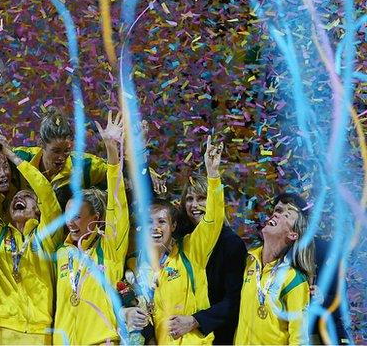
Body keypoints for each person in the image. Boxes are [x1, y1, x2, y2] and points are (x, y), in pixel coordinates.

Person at [122, 136, 225, 344]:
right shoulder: (133, 264)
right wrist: (126, 313)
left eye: (162, 221)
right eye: (149, 222)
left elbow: (213, 221)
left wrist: (213, 175)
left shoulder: (191, 250)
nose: (156, 228)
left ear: (174, 226)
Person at [0, 126, 63, 344]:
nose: (18, 198)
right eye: (15, 197)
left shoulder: (48, 236)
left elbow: (46, 193)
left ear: (39, 211)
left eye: (26, 197)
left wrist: (11, 155)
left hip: (39, 334)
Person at [53, 112, 128, 345]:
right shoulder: (62, 254)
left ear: (95, 218)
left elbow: (118, 206)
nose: (70, 223)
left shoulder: (109, 247)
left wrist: (112, 152)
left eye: (76, 217)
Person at [0, 106, 109, 211]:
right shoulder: (21, 157)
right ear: (41, 144)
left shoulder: (84, 166)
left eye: (66, 151)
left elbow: (116, 172)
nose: (61, 157)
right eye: (55, 151)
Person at [173, 174, 247, 344]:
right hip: (179, 334)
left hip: (217, 334)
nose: (194, 205)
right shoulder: (178, 239)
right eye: (189, 199)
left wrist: (196, 320)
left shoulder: (231, 244)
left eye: (202, 198)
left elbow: (234, 301)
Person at [234, 192, 315, 344]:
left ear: (293, 234)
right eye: (277, 210)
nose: (276, 215)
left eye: (287, 214)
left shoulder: (294, 280)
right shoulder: (248, 262)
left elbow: (299, 340)